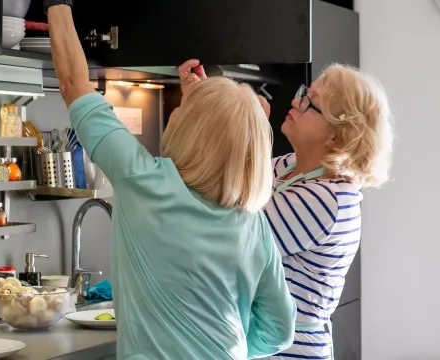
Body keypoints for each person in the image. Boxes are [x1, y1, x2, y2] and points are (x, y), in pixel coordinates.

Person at [44, 2, 297, 359]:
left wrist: (58, 4)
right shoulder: (252, 224)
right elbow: (279, 330)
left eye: (183, 108)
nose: (176, 110)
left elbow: (73, 84)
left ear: (195, 133)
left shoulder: (143, 180)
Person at [258, 65, 394, 360]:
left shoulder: (325, 199)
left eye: (310, 102)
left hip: (286, 350)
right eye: (303, 94)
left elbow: (233, 235)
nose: (296, 102)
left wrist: (249, 129)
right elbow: (232, 187)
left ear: (335, 136)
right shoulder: (291, 167)